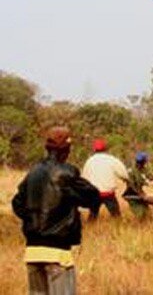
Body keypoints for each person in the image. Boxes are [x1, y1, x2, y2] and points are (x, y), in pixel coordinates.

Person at [12, 126, 99, 295]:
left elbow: (17, 203)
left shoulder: (33, 171)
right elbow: (92, 197)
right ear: (66, 149)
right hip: (57, 254)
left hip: (32, 253)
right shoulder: (67, 172)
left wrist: (32, 220)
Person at [82, 139, 129, 219]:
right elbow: (124, 174)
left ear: (94, 149)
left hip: (94, 193)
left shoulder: (89, 161)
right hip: (108, 193)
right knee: (116, 216)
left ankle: (91, 226)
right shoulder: (112, 160)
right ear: (105, 148)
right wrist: (126, 180)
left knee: (93, 215)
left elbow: (84, 178)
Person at [123, 151, 153, 219]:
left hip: (140, 193)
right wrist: (139, 193)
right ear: (142, 162)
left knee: (147, 213)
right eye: (145, 161)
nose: (145, 163)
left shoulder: (143, 169)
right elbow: (131, 185)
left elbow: (151, 176)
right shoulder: (131, 171)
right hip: (132, 194)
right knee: (140, 214)